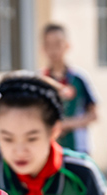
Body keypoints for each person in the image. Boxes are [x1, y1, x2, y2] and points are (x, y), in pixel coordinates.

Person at [42, 24, 98, 154]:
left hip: (78, 148)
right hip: (48, 149)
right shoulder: (41, 80)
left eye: (57, 44)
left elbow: (93, 115)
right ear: (43, 48)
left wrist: (67, 124)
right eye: (49, 45)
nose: (53, 50)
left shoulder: (79, 78)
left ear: (67, 45)